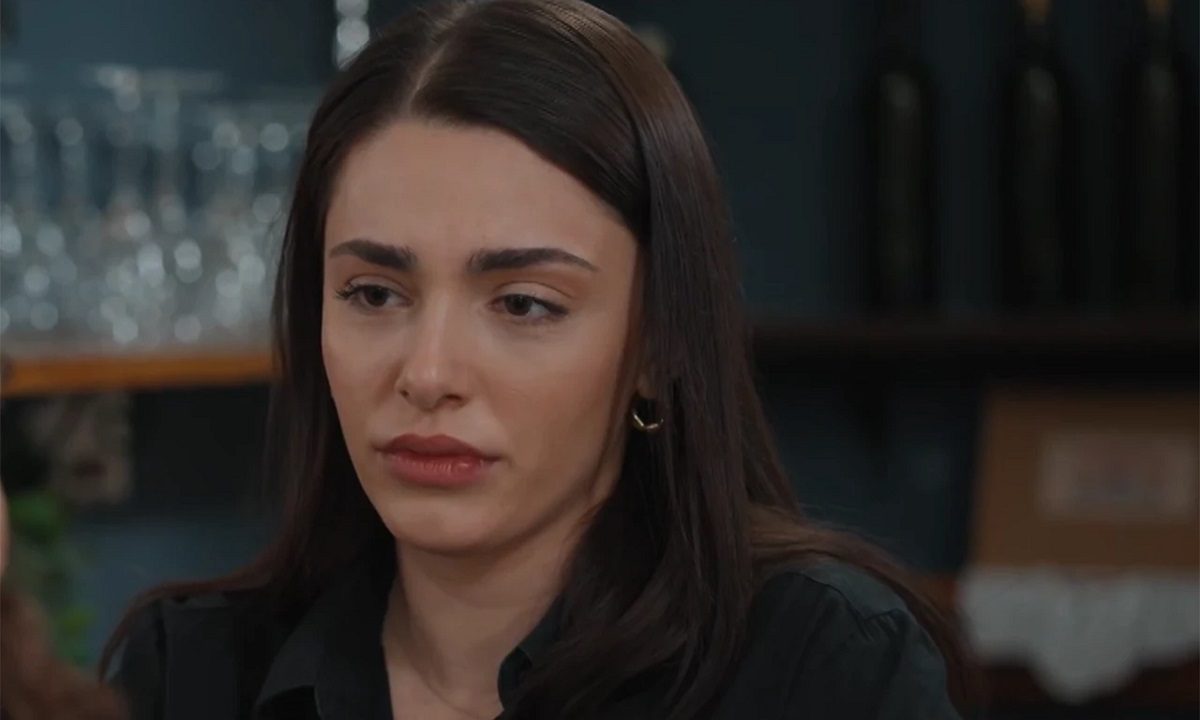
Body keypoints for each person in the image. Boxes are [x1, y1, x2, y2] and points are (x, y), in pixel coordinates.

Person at [102, 1, 975, 718]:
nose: (428, 374)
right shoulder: (188, 676)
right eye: (373, 295)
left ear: (657, 344)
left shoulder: (822, 667)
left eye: (523, 304)